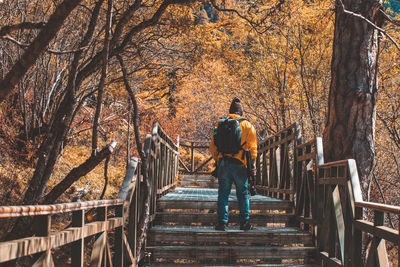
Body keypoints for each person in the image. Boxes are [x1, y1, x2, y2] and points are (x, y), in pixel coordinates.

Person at [209, 97, 257, 231]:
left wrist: (218, 160)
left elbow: (213, 147)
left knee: (223, 194)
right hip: (240, 165)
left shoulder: (221, 124)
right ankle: (244, 223)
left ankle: (222, 223)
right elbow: (253, 149)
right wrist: (252, 166)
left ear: (230, 112)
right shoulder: (248, 125)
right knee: (242, 194)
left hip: (224, 163)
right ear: (242, 113)